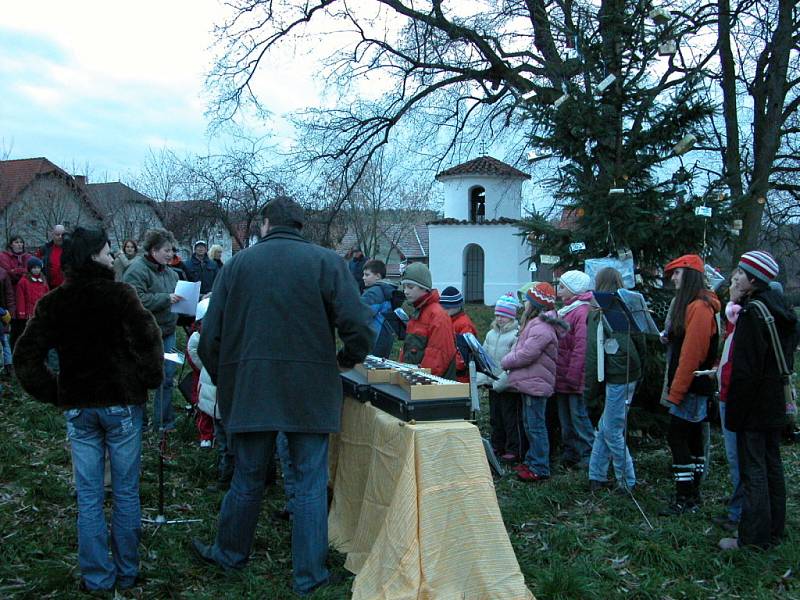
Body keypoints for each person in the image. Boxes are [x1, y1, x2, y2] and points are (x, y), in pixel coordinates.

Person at [190, 196, 371, 596]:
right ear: (301, 225)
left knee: (248, 477)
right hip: (310, 390)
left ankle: (230, 553)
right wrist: (344, 359)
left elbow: (209, 339)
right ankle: (310, 576)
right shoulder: (327, 263)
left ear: (265, 224)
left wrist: (226, 380)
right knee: (308, 483)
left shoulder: (237, 265)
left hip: (251, 387)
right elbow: (359, 326)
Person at [13, 226, 163, 594]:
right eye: (109, 251)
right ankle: (126, 572)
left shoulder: (54, 302)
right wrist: (146, 381)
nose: (113, 257)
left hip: (81, 407)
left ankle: (97, 578)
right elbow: (149, 343)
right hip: (122, 405)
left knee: (90, 494)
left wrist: (58, 391)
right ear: (94, 255)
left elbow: (26, 358)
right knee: (126, 492)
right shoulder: (122, 296)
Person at [720, 251, 799, 550]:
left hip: (753, 406)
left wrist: (734, 415)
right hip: (774, 402)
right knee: (771, 465)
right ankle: (774, 530)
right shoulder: (780, 309)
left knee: (753, 470)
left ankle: (752, 540)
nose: (735, 277)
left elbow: (746, 371)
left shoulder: (753, 313)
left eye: (740, 273)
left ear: (753, 279)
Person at [659, 254, 720, 516]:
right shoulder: (695, 306)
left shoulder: (699, 308)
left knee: (679, 437)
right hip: (692, 386)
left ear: (690, 275)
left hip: (691, 387)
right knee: (692, 437)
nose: (673, 278)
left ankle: (685, 497)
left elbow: (691, 356)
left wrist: (676, 392)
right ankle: (692, 496)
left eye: (677, 274)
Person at [501, 282, 568, 482]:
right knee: (529, 424)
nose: (524, 305)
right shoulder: (538, 323)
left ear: (535, 305)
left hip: (536, 384)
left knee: (536, 426)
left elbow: (527, 354)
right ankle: (532, 460)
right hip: (530, 381)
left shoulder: (543, 327)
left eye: (527, 301)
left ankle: (540, 466)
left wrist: (506, 361)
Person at [588, 268, 645, 492]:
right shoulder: (627, 307)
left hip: (618, 376)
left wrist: (589, 392)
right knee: (606, 426)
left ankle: (627, 480)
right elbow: (641, 342)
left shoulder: (599, 311)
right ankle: (596, 476)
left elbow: (593, 355)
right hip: (630, 373)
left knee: (612, 429)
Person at [122, 229, 183, 433]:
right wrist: (166, 298)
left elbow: (178, 296)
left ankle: (164, 423)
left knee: (167, 377)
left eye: (172, 250)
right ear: (154, 250)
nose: (170, 254)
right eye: (166, 250)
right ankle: (138, 424)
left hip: (168, 333)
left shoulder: (170, 272)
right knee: (140, 378)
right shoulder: (136, 270)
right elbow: (133, 299)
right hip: (144, 336)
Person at [711, 271, 745, 533]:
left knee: (739, 458)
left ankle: (740, 512)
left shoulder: (745, 318)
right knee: (735, 456)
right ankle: (738, 505)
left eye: (736, 280)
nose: (730, 286)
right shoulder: (734, 317)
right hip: (727, 391)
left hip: (735, 395)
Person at [554, 270, 596, 468]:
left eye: (562, 286)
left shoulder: (581, 312)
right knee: (565, 418)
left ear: (573, 290)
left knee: (579, 417)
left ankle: (588, 455)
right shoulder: (567, 310)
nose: (558, 290)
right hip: (562, 374)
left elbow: (581, 346)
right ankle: (570, 452)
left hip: (574, 376)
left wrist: (573, 375)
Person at [477, 294, 524, 461]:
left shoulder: (516, 335)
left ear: (511, 316)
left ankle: (514, 448)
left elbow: (515, 361)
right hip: (493, 383)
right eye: (497, 315)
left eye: (504, 315)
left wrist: (501, 382)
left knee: (510, 418)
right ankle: (497, 444)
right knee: (495, 417)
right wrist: (483, 378)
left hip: (508, 384)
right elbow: (484, 356)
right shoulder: (491, 334)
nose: (500, 319)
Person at [398, 262, 458, 379]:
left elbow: (436, 359)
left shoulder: (438, 316)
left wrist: (416, 380)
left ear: (424, 288)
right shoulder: (417, 313)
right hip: (415, 382)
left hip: (431, 388)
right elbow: (407, 350)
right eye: (404, 287)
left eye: (410, 287)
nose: (406, 291)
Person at [186, 298, 217, 449]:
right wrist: (207, 369)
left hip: (217, 379)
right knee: (205, 409)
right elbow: (195, 360)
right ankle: (206, 435)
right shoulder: (196, 339)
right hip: (204, 378)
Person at [360, 259, 399, 358]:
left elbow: (360, 316)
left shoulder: (373, 292)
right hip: (385, 338)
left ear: (377, 276)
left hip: (372, 340)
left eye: (367, 275)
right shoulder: (387, 290)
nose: (363, 277)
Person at [439, 286, 478, 383]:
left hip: (460, 379)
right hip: (449, 375)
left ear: (457, 306)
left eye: (447, 307)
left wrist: (441, 364)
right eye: (442, 307)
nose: (444, 310)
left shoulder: (465, 325)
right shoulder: (446, 321)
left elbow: (463, 358)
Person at [0, 234, 33, 349]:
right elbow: (8, 273)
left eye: (21, 242)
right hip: (11, 297)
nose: (19, 244)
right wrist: (22, 271)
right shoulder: (3, 256)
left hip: (26, 296)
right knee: (13, 329)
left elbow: (32, 271)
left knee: (26, 329)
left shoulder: (28, 257)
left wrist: (17, 270)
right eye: (16, 242)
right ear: (10, 244)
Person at [15, 257, 49, 324]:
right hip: (29, 313)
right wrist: (22, 314)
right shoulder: (23, 281)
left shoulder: (43, 280)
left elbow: (47, 296)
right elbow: (20, 299)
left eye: (38, 268)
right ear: (30, 269)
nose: (36, 270)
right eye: (34, 268)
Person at [37, 223, 67, 288]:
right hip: (50, 287)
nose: (60, 237)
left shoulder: (70, 248)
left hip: (67, 287)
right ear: (52, 235)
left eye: (62, 235)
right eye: (57, 234)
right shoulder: (44, 249)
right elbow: (35, 265)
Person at [0, 264, 15, 379]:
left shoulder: (3, 273)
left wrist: (9, 312)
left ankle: (8, 367)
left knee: (5, 340)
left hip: (2, 313)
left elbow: (9, 295)